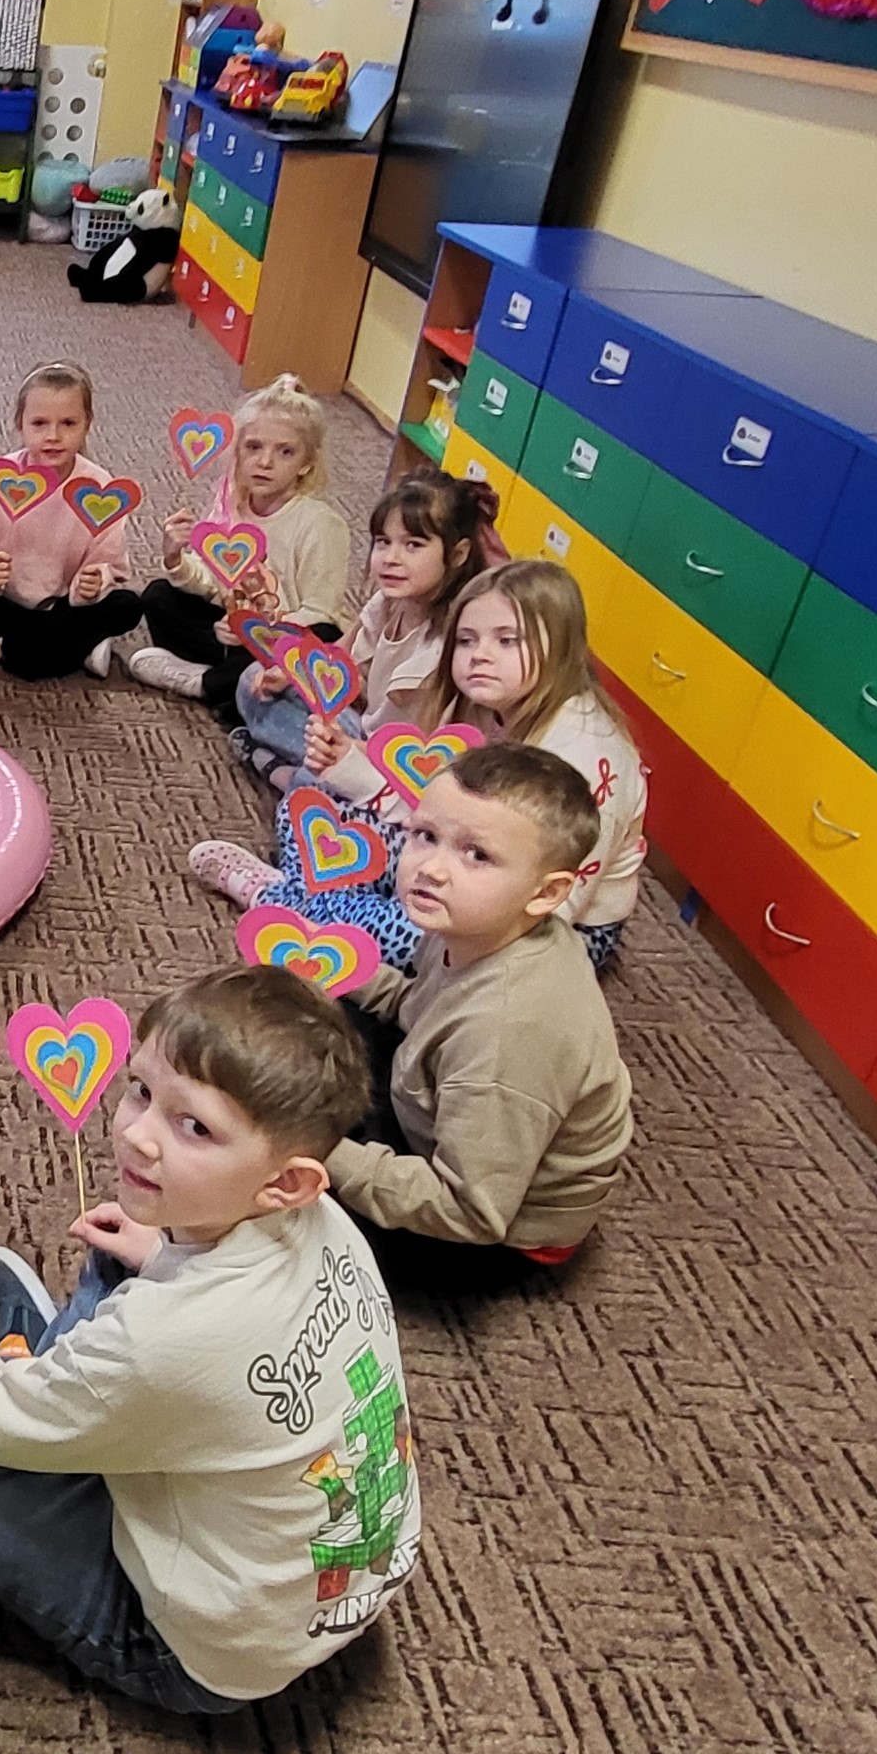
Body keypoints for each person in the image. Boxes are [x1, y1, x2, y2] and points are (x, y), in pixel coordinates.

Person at [0, 965, 419, 1714]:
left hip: (193, 1653)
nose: (136, 1133)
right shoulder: (327, 1221)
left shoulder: (166, 1339)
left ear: (286, 1183)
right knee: (134, 1248)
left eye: (194, 1126)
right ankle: (59, 1374)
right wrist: (161, 1255)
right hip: (320, 1576)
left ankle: (39, 1367)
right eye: (141, 1089)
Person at [188, 559, 647, 976]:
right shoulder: (488, 707)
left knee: (417, 937)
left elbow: (545, 914)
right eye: (466, 640)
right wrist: (354, 769)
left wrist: (431, 887)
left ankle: (278, 897)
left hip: (541, 928)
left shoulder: (584, 759)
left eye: (507, 640)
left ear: (561, 647)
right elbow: (432, 802)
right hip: (467, 854)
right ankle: (321, 898)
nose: (480, 654)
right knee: (316, 803)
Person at [327, 744, 634, 1291]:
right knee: (316, 1022)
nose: (431, 869)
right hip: (451, 1114)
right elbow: (422, 1007)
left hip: (492, 1236)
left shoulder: (508, 1033)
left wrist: (320, 1152)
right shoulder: (477, 928)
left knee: (270, 1189)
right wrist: (342, 970)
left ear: (547, 893)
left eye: (477, 855)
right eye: (426, 836)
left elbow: (470, 1211)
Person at [228, 470, 499, 789]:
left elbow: (427, 758)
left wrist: (347, 751)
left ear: (458, 554)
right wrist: (292, 675)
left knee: (318, 783)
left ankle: (282, 773)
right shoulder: (389, 601)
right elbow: (335, 656)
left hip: (407, 767)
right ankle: (301, 769)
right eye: (383, 542)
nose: (391, 558)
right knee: (252, 681)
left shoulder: (452, 641)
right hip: (365, 735)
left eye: (413, 545)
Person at [128, 374, 351, 722]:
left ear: (306, 463)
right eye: (254, 447)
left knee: (323, 638)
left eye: (285, 452)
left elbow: (320, 611)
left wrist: (255, 630)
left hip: (282, 636)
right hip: (231, 631)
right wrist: (175, 558)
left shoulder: (321, 524)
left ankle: (206, 684)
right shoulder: (230, 506)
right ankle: (233, 685)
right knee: (158, 596)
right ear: (238, 452)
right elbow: (210, 583)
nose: (265, 462)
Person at [0, 360, 146, 681]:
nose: (53, 436)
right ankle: (77, 645)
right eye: (40, 423)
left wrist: (94, 582)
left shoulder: (99, 489)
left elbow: (109, 562)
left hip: (64, 605)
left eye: (68, 423)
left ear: (87, 424)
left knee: (128, 606)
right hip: (2, 602)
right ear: (20, 423)